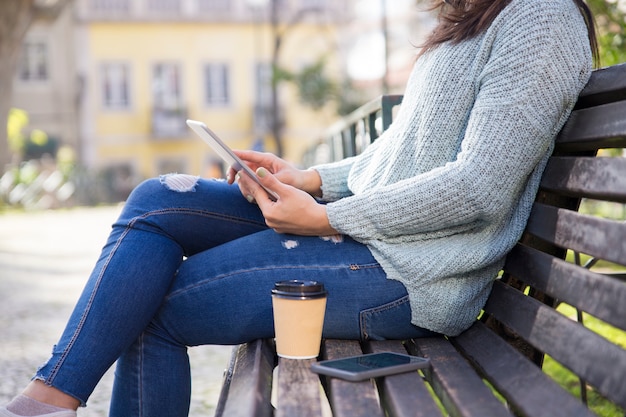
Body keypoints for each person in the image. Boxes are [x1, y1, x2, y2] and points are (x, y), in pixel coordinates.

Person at [2, 0, 598, 415]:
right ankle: (52, 395)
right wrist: (307, 179)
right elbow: (402, 154)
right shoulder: (482, 13)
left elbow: (478, 187)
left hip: (411, 276)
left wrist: (327, 218)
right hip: (370, 238)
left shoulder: (540, 18)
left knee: (152, 307)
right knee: (157, 198)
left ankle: (46, 404)